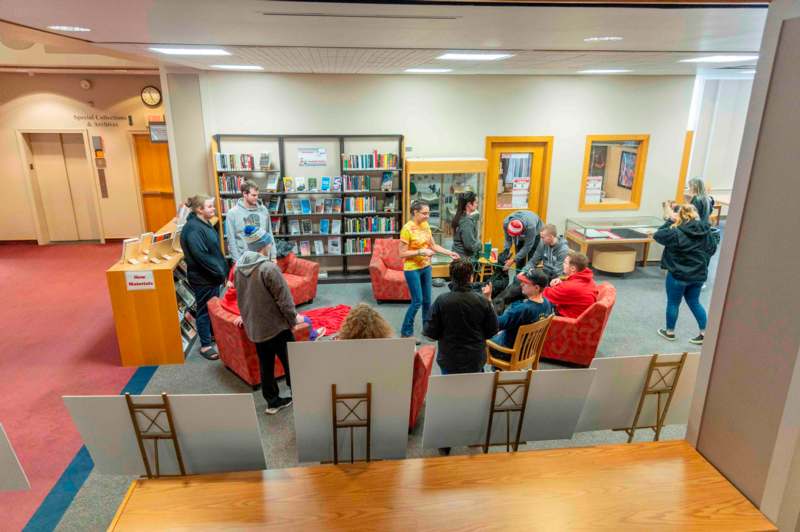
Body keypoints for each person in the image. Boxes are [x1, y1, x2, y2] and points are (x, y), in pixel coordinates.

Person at [235, 226, 302, 414]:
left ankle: (272, 401)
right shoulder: (268, 268)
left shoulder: (238, 267)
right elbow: (285, 301)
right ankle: (300, 395)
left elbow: (241, 298)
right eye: (268, 242)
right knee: (292, 362)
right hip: (276, 327)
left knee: (266, 365)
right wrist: (293, 321)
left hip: (256, 328)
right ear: (263, 246)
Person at [653, 204, 719, 345]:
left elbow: (658, 235)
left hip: (678, 274)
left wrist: (671, 220)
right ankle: (704, 333)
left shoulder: (676, 232)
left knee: (673, 302)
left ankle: (670, 332)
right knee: (695, 302)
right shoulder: (706, 232)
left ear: (680, 216)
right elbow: (712, 249)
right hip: (698, 275)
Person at [399, 199, 460, 343]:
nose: (427, 216)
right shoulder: (407, 229)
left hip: (426, 267)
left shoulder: (426, 225)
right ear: (415, 212)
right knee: (417, 301)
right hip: (412, 269)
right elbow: (401, 253)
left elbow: (433, 246)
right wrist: (421, 251)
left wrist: (448, 252)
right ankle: (406, 333)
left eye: (428, 213)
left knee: (427, 301)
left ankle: (428, 329)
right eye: (424, 213)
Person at [424, 258, 499, 375]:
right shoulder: (483, 301)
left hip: (449, 361)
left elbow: (430, 335)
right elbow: (492, 331)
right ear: (471, 277)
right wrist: (488, 299)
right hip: (475, 360)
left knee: (449, 392)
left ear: (451, 277)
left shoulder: (441, 301)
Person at [180, 195, 228, 361]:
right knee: (205, 310)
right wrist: (220, 273)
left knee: (212, 307)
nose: (213, 209)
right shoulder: (193, 229)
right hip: (204, 278)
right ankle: (206, 345)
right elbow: (201, 257)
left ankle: (212, 336)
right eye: (209, 207)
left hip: (212, 276)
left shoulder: (204, 222)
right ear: (199, 209)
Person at [491, 224, 569, 314]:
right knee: (518, 278)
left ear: (551, 237)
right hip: (543, 272)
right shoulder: (542, 243)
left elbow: (557, 273)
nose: (541, 239)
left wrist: (533, 275)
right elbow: (533, 261)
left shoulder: (563, 250)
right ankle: (500, 302)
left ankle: (504, 303)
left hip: (553, 277)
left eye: (543, 237)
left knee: (527, 283)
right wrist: (524, 271)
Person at [482, 269, 553, 361]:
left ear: (536, 288)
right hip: (526, 351)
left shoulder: (522, 309)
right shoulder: (547, 303)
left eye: (526, 283)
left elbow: (495, 324)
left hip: (507, 352)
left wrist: (488, 299)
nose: (521, 284)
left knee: (476, 340)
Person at [225, 180, 276, 262]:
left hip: (263, 259)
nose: (256, 198)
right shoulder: (232, 213)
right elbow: (231, 240)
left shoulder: (264, 210)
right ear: (245, 194)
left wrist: (273, 256)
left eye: (257, 195)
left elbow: (269, 234)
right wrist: (237, 261)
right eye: (253, 195)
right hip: (244, 260)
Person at [542, 252, 598, 319]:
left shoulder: (570, 287)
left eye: (565, 263)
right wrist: (560, 282)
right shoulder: (588, 279)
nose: (563, 264)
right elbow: (570, 287)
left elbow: (544, 293)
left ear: (573, 268)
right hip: (579, 315)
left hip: (567, 321)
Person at [451, 191, 481, 260]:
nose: (477, 205)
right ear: (469, 204)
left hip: (458, 256)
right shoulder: (466, 221)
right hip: (464, 260)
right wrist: (479, 244)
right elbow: (470, 245)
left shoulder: (459, 217)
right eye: (476, 203)